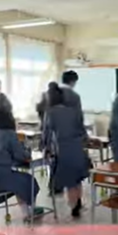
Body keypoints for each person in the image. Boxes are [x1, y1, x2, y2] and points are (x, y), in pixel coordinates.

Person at [0, 108, 42, 221]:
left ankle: (26, 212)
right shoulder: (9, 134)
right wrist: (27, 150)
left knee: (20, 180)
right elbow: (22, 156)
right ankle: (30, 212)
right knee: (29, 181)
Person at [42, 84, 89, 218]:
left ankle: (74, 207)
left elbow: (47, 133)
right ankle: (77, 204)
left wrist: (45, 148)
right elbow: (82, 131)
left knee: (70, 181)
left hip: (63, 149)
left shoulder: (50, 112)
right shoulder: (73, 111)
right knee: (77, 179)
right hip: (77, 147)